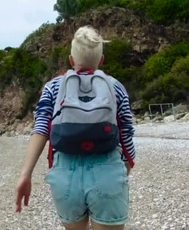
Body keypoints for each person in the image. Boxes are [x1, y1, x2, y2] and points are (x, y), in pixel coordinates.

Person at [15, 25, 136, 230]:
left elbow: (41, 128)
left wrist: (25, 175)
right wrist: (126, 167)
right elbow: (126, 132)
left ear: (71, 61)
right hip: (107, 170)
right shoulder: (115, 86)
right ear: (101, 61)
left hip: (65, 176)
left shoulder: (53, 87)